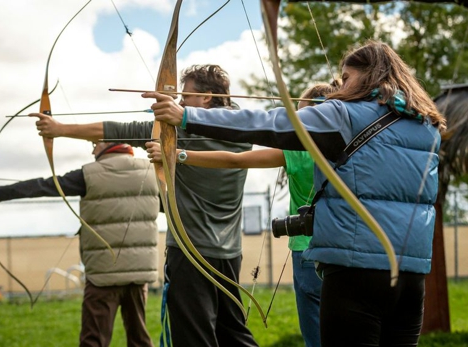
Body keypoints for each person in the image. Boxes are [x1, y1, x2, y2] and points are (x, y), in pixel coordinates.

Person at [144, 40, 445, 347]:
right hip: (410, 276)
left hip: (355, 272)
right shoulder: (426, 124)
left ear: (367, 76)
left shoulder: (342, 115)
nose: (340, 86)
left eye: (346, 78)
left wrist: (187, 116)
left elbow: (268, 122)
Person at [31, 64, 258, 347]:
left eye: (185, 96)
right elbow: (121, 130)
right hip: (229, 253)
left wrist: (59, 129)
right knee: (233, 333)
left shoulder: (181, 135)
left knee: (194, 338)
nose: (179, 102)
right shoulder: (245, 129)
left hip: (190, 254)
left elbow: (121, 130)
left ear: (207, 97)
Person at [145, 81, 339, 347]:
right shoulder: (354, 148)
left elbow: (235, 161)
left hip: (307, 250)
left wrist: (177, 154)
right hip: (346, 250)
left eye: (303, 116)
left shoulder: (300, 150)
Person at [0, 141, 159, 347]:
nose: (92, 150)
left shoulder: (89, 174)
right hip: (139, 273)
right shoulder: (150, 172)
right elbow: (168, 205)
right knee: (139, 339)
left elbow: (44, 185)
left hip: (103, 274)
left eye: (95, 144)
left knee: (94, 340)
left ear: (109, 142)